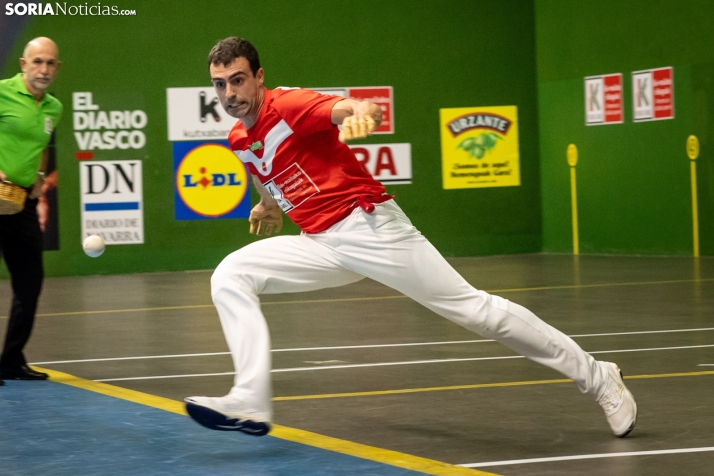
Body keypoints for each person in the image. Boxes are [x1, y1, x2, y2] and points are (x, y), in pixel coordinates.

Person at [185, 37, 637, 438]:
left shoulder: (289, 105)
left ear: (259, 77)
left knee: (476, 312)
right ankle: (250, 399)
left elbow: (349, 108)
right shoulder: (240, 138)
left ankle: (599, 377)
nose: (229, 94)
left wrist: (363, 112)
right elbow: (264, 173)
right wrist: (266, 204)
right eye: (220, 84)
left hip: (370, 228)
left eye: (238, 80)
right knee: (231, 275)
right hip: (319, 243)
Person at [0, 37, 63, 383]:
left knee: (30, 281)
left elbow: (41, 144)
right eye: (38, 62)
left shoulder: (54, 107)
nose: (44, 69)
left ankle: (11, 360)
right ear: (23, 64)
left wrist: (39, 176)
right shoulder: (2, 92)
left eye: (51, 63)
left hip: (21, 202)